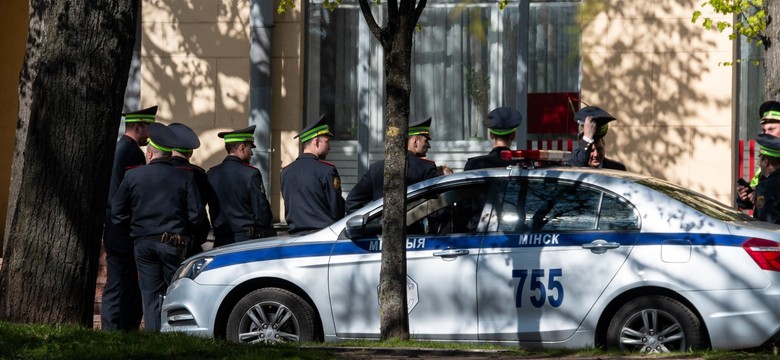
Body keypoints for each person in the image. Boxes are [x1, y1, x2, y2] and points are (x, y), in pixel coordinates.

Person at [110, 123, 207, 332]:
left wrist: (135, 229)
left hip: (144, 244)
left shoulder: (133, 176)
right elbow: (197, 217)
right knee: (176, 292)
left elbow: (117, 212)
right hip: (175, 243)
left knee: (150, 295)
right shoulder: (185, 176)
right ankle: (176, 333)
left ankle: (154, 337)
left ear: (150, 154)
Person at [101, 105, 156, 332]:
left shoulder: (117, 148)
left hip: (114, 227)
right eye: (148, 127)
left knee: (117, 282)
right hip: (124, 229)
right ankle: (117, 329)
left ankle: (113, 329)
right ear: (138, 126)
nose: (150, 134)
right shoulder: (132, 152)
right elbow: (134, 191)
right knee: (123, 283)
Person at [345, 117, 438, 214]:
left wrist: (370, 225)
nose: (429, 146)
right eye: (426, 141)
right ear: (415, 141)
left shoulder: (376, 169)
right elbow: (439, 207)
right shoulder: (426, 168)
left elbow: (352, 202)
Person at [207, 125, 274, 246]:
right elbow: (262, 212)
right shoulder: (251, 173)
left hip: (220, 241)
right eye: (250, 148)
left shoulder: (211, 174)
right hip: (245, 242)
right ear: (242, 148)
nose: (252, 153)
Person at [281, 115, 345, 234]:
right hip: (323, 236)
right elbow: (337, 209)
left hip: (294, 237)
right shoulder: (327, 170)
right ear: (316, 142)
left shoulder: (286, 172)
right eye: (327, 142)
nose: (329, 147)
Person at [168, 123, 213, 257]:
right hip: (188, 238)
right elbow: (199, 213)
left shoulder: (157, 171)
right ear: (191, 152)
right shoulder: (198, 174)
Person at [737, 100, 780, 209]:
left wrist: (763, 194)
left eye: (771, 129)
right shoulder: (767, 155)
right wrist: (747, 198)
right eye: (764, 130)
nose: (766, 135)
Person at [570, 106, 627, 171]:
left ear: (604, 145)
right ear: (582, 148)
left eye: (599, 149)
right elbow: (576, 167)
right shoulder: (575, 163)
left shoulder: (617, 168)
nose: (596, 154)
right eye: (591, 150)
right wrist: (587, 138)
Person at [752, 133, 780, 224]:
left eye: (760, 160)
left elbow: (764, 221)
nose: (759, 164)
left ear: (765, 162)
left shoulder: (766, 187)